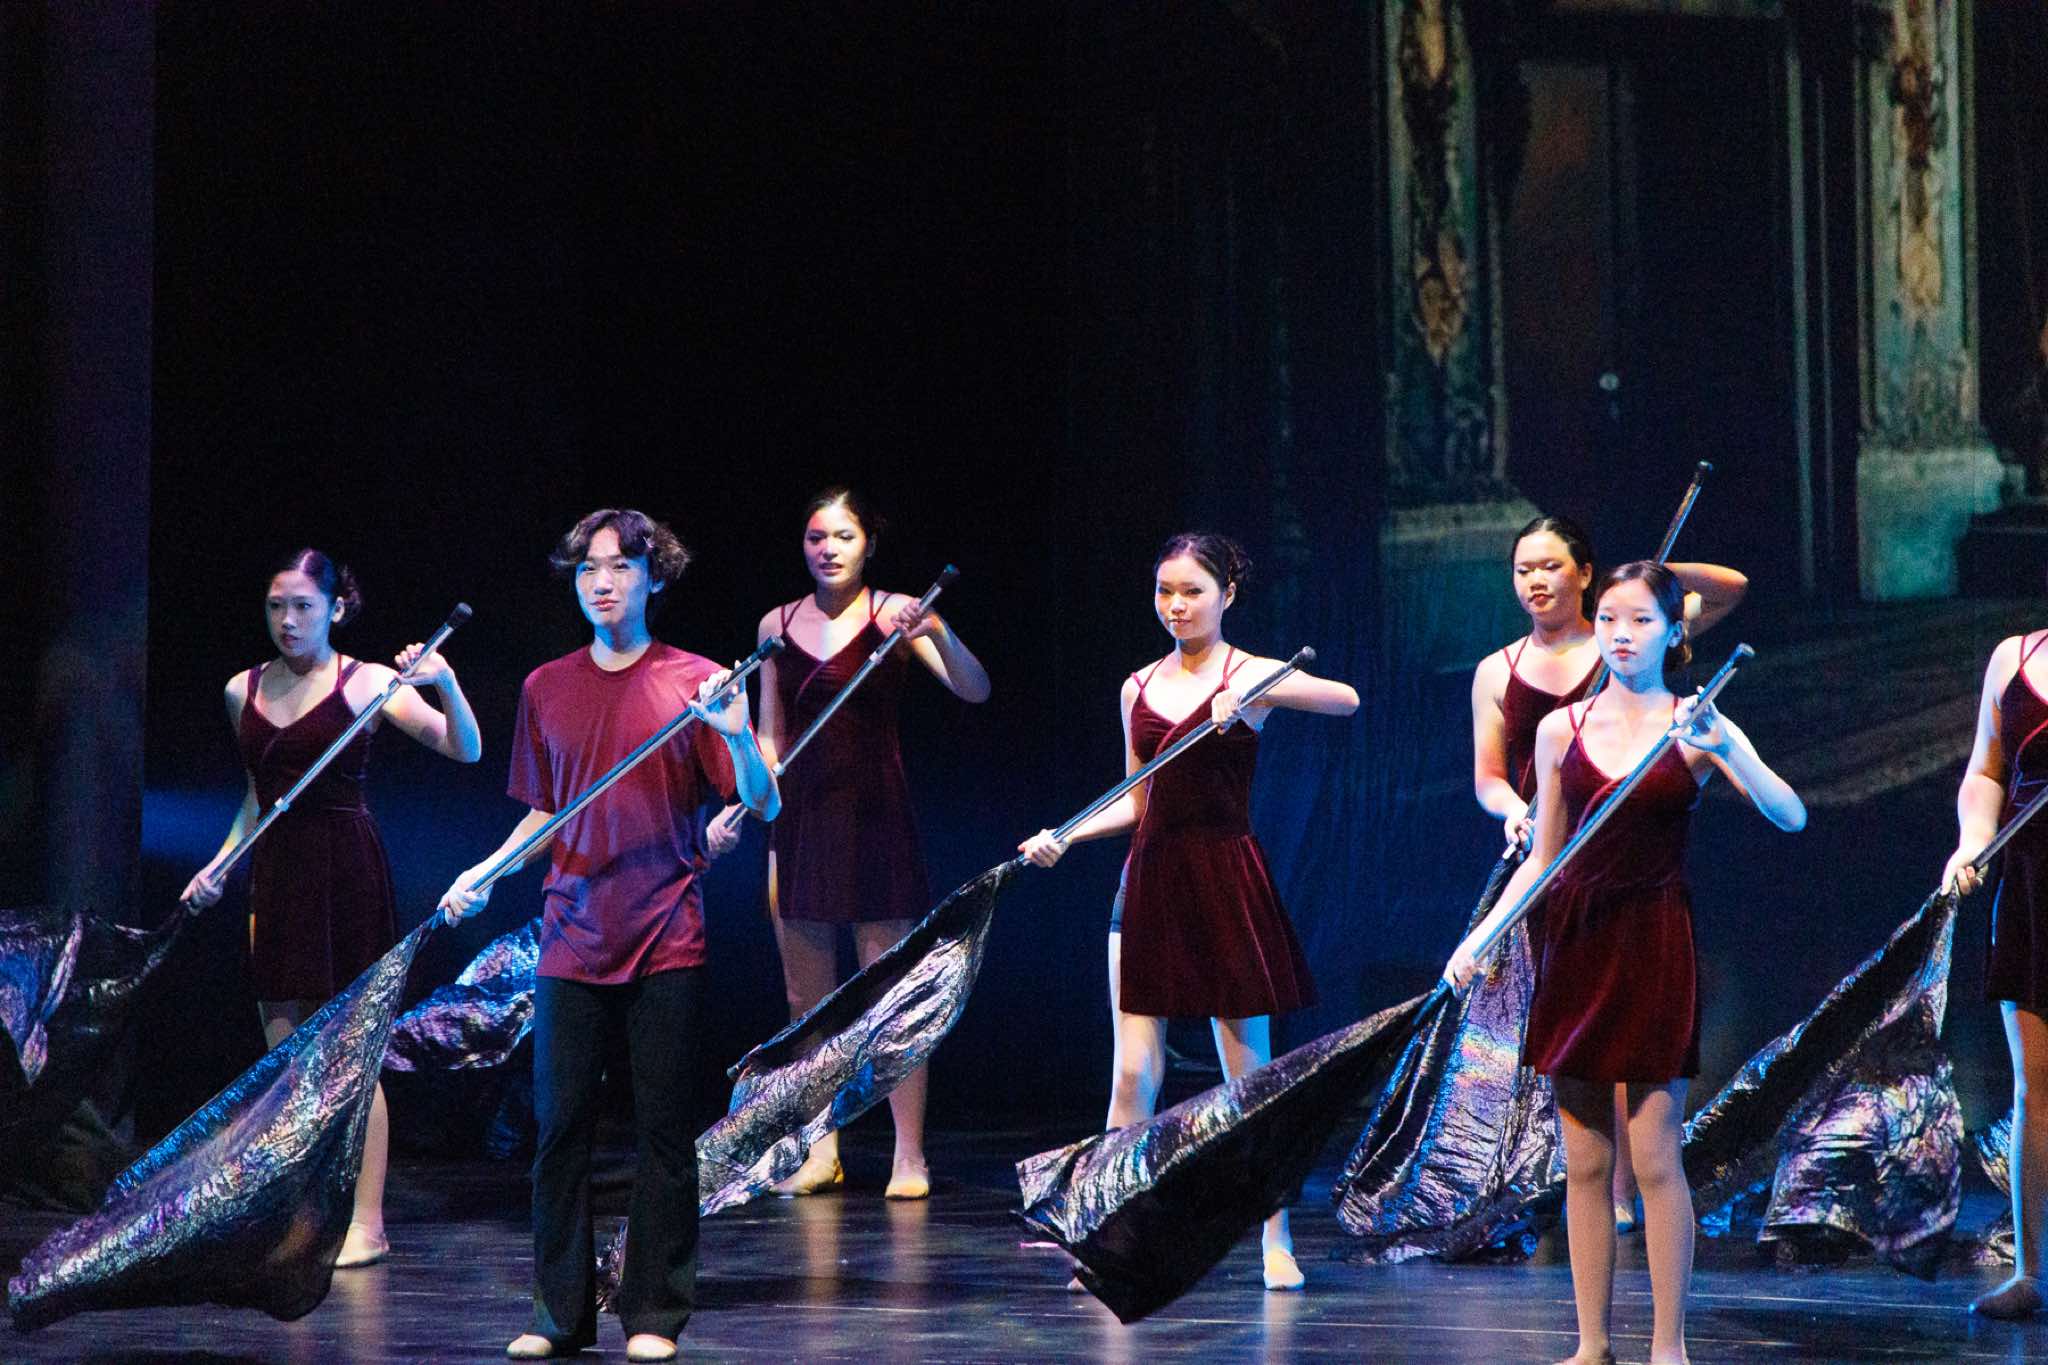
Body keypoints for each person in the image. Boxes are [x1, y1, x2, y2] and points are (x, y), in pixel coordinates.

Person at [438, 509, 779, 1363]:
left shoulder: (698, 681)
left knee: (663, 1130)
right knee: (559, 1128)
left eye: (622, 566)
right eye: (589, 567)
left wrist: (738, 734)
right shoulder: (545, 686)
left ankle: (655, 1311)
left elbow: (762, 800)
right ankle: (558, 1314)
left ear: (655, 577)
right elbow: (544, 815)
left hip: (666, 932)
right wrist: (484, 871)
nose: (602, 581)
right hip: (571, 933)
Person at [1447, 561, 1804, 1365]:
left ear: (1675, 632)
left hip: (1653, 940)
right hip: (1576, 942)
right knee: (1584, 1161)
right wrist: (1482, 936)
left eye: (1641, 620)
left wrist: (1727, 749)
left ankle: (1668, 1346)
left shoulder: (1696, 720)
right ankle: (1592, 1344)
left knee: (1654, 1156)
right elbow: (1544, 859)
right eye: (1609, 618)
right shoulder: (1559, 729)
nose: (1621, 634)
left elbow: (1791, 815)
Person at [1019, 532, 1358, 1292]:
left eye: (1192, 591)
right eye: (1164, 591)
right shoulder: (1136, 686)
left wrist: (1263, 695)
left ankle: (1275, 1236)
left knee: (1248, 1076)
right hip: (1149, 883)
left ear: (1226, 594)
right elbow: (1137, 801)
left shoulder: (1252, 672)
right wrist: (1066, 837)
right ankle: (1110, 1240)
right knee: (1133, 1072)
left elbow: (1346, 699)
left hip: (1225, 882)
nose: (1176, 605)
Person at [181, 547, 482, 1269]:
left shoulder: (368, 681)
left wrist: (446, 683)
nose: (288, 620)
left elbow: (463, 749)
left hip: (346, 873)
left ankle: (367, 1223)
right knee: (286, 1061)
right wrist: (219, 864)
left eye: (303, 607)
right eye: (276, 606)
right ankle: (304, 1218)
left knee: (351, 1056)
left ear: (336, 608)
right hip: (278, 876)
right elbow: (257, 799)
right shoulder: (241, 689)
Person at [1470, 515, 1747, 1229]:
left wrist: (1651, 579)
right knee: (1575, 1038)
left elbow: (1730, 589)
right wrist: (1514, 810)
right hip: (1552, 865)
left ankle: (1625, 1182)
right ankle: (1579, 1175)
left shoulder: (1618, 640)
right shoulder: (1499, 671)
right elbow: (1490, 777)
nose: (1536, 581)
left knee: (1633, 1037)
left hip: (1631, 869)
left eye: (1551, 566)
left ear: (1585, 575)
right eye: (1523, 568)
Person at [711, 488, 988, 1200]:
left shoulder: (896, 612)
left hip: (877, 817)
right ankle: (819, 1148)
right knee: (808, 1002)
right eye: (816, 537)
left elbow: (974, 690)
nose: (828, 549)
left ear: (869, 542)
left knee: (891, 992)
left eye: (843, 536)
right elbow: (771, 734)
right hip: (801, 820)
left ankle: (909, 1154)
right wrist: (747, 797)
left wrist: (937, 630)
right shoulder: (776, 623)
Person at [1943, 625, 2048, 1319]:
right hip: (2033, 886)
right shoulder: (2015, 657)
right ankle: (2033, 1273)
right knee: (2035, 1086)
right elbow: (1987, 771)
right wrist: (1972, 843)